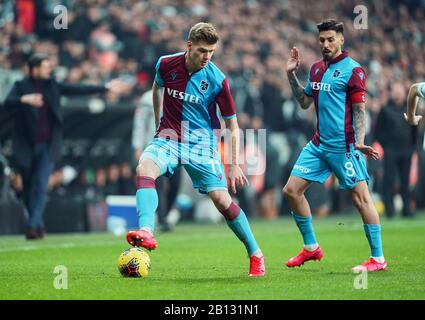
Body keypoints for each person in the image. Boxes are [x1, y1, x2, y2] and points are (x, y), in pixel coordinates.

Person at [126, 22, 265, 277]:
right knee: (144, 168)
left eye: (211, 51)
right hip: (168, 138)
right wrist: (159, 120)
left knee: (222, 200)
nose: (207, 57)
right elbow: (157, 87)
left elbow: (232, 125)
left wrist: (233, 163)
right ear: (189, 46)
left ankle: (255, 252)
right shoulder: (166, 64)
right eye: (202, 50)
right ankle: (146, 230)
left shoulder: (217, 79)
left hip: (201, 144)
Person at [283, 19, 387, 272]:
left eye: (331, 39)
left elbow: (359, 110)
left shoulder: (354, 70)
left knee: (361, 199)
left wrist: (360, 141)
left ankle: (378, 259)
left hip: (345, 147)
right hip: (319, 145)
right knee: (291, 191)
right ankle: (311, 248)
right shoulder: (317, 69)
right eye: (322, 40)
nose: (326, 44)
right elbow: (305, 103)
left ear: (341, 39)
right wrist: (291, 74)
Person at [3, 53, 127, 240]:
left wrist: (105, 87)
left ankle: (32, 224)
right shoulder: (20, 87)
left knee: (41, 184)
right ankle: (37, 224)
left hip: (47, 145)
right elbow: (7, 103)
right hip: (26, 146)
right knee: (28, 186)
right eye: (44, 67)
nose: (48, 70)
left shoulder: (52, 86)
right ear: (33, 68)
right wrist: (24, 99)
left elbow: (77, 89)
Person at [132, 89, 182, 232]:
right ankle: (161, 219)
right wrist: (137, 147)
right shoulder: (147, 98)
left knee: (175, 184)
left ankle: (164, 215)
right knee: (157, 184)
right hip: (154, 148)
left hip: (175, 148)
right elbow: (140, 124)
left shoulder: (178, 94)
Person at [375, 82, 416, 218]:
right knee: (389, 180)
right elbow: (378, 131)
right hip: (391, 150)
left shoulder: (410, 108)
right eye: (395, 91)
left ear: (404, 93)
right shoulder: (385, 110)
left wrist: (412, 147)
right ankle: (390, 209)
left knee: (405, 181)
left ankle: (407, 209)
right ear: (391, 93)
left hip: (406, 150)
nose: (397, 93)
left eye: (399, 91)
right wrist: (386, 145)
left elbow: (414, 129)